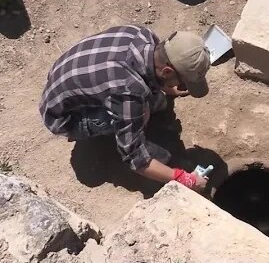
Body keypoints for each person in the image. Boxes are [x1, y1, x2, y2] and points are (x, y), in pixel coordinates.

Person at [39, 25, 210, 191]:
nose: (180, 86)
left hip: (65, 75)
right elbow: (136, 159)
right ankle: (104, 142)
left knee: (149, 102)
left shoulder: (143, 35)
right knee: (142, 111)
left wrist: (169, 88)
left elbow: (149, 71)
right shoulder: (129, 92)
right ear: (166, 71)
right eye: (181, 81)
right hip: (63, 116)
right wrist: (185, 179)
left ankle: (134, 112)